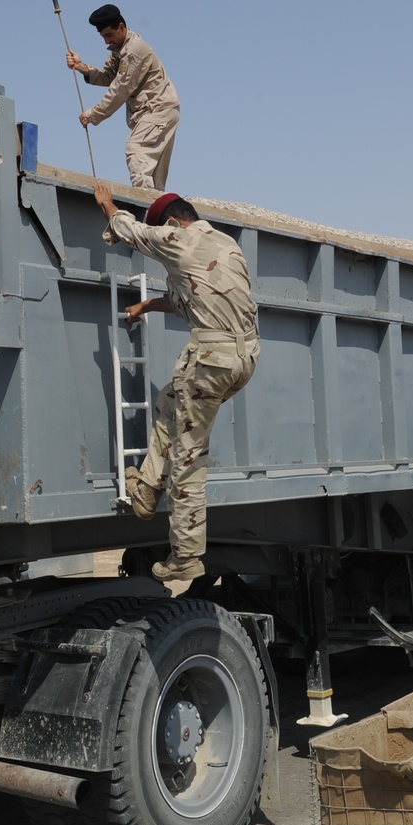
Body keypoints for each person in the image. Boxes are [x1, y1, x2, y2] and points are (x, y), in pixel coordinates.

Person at [94, 181, 259, 583]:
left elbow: (134, 232)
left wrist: (108, 206)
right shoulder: (226, 245)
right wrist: (149, 303)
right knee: (172, 400)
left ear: (173, 221)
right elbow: (191, 302)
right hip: (245, 357)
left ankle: (185, 555)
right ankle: (148, 487)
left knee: (188, 456)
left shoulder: (177, 237)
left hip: (212, 360)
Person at [67, 4, 180, 191]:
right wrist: (82, 68)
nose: (106, 41)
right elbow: (110, 76)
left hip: (157, 111)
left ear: (121, 27)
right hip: (162, 111)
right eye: (103, 36)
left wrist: (92, 115)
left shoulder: (133, 51)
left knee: (135, 149)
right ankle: (157, 212)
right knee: (154, 176)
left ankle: (145, 204)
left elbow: (120, 90)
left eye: (109, 35)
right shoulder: (120, 48)